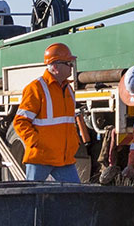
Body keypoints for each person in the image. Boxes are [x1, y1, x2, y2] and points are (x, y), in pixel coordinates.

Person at [11, 42, 87, 182]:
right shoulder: (36, 88)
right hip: (41, 158)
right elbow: (20, 121)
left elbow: (68, 122)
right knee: (33, 197)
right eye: (68, 63)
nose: (72, 67)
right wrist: (36, 143)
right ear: (55, 66)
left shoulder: (69, 89)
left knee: (75, 195)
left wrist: (74, 142)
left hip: (64, 159)